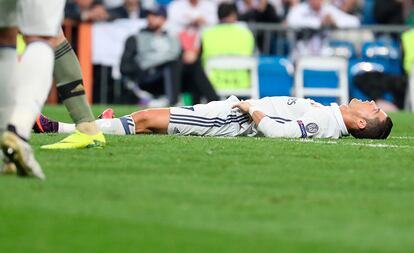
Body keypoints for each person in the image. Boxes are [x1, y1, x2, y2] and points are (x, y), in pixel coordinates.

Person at [35, 96, 394, 140]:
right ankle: (108, 122)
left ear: (360, 124)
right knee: (147, 121)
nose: (373, 102)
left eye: (374, 110)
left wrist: (248, 110)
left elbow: (277, 132)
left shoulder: (328, 124)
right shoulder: (330, 113)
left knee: (146, 119)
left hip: (230, 120)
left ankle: (56, 127)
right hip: (229, 113)